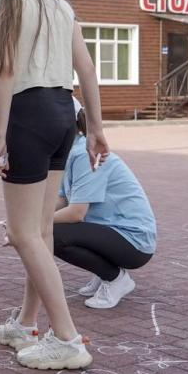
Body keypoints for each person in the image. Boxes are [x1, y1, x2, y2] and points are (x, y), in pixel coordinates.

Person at [0, 0, 110, 370]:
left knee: (21, 233)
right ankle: (27, 324)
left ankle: (68, 339)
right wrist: (95, 127)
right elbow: (87, 70)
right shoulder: (57, 1)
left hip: (27, 116)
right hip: (62, 114)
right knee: (42, 230)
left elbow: (5, 68)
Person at [55, 100, 156, 309]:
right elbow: (61, 201)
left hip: (134, 241)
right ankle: (104, 274)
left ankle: (115, 278)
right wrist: (25, 219)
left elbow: (75, 214)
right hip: (113, 232)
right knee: (47, 228)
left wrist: (29, 224)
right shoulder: (69, 153)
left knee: (52, 235)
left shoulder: (83, 153)